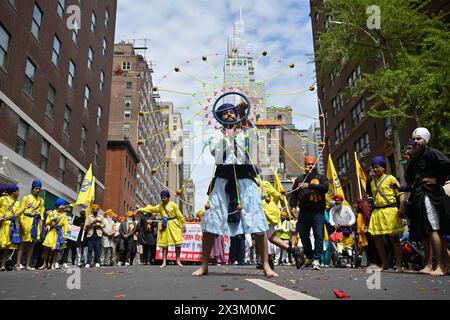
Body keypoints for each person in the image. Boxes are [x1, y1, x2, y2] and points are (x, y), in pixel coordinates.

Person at [192, 102, 277, 277]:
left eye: (232, 112)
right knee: (210, 221)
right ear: (219, 117)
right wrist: (229, 134)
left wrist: (244, 118)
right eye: (225, 113)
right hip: (223, 181)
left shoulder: (247, 131)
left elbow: (253, 144)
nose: (230, 115)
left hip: (246, 181)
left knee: (258, 223)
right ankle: (204, 265)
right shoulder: (215, 135)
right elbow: (217, 153)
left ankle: (266, 265)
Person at [404, 128, 450, 276]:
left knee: (433, 228)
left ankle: (442, 266)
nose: (416, 141)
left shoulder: (431, 152)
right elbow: (410, 177)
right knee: (428, 230)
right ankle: (441, 265)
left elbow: (446, 163)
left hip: (430, 194)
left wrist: (437, 179)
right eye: (414, 139)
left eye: (419, 138)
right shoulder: (416, 156)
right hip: (420, 195)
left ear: (426, 140)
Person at [289, 156, 329, 270]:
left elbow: (325, 188)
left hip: (318, 212)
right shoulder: (299, 179)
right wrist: (292, 206)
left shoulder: (321, 177)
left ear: (315, 165)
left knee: (318, 235)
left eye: (312, 164)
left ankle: (317, 259)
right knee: (303, 236)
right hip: (304, 212)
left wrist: (309, 185)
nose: (310, 166)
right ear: (304, 166)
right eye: (308, 164)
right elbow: (294, 195)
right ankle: (310, 257)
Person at [368, 156, 405, 272]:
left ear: (383, 168)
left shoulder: (391, 178)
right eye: (373, 168)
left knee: (394, 238)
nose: (374, 170)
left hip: (390, 211)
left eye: (376, 167)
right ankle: (385, 263)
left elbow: (401, 194)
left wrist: (402, 208)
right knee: (376, 238)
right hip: (377, 212)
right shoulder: (372, 182)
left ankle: (399, 265)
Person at [137, 190, 186, 268]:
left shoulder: (173, 205)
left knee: (178, 243)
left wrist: (183, 224)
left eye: (164, 197)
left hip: (174, 224)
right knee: (164, 245)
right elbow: (151, 209)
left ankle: (178, 260)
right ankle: (164, 262)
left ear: (168, 197)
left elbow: (179, 215)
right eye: (162, 198)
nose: (163, 199)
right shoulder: (160, 206)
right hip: (165, 225)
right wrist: (141, 209)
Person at [16, 180, 45, 271]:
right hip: (26, 222)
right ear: (32, 188)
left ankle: (28, 264)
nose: (38, 190)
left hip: (36, 224)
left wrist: (41, 227)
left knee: (32, 245)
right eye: (36, 188)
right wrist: (21, 224)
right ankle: (18, 264)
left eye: (39, 189)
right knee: (22, 244)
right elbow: (21, 212)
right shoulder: (26, 198)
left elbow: (41, 215)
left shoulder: (41, 200)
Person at [0, 185, 29, 271]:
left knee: (7, 247)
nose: (19, 193)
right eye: (18, 191)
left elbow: (18, 216)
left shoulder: (17, 203)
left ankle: (2, 265)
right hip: (2, 224)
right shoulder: (2, 199)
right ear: (13, 193)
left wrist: (21, 226)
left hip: (11, 226)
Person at [39, 198, 69, 270]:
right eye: (62, 205)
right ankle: (44, 264)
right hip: (51, 232)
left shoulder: (64, 216)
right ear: (58, 205)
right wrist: (51, 220)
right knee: (46, 248)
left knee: (56, 249)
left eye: (64, 205)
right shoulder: (51, 213)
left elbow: (66, 226)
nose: (63, 207)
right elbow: (46, 223)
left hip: (59, 233)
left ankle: (53, 264)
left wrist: (65, 235)